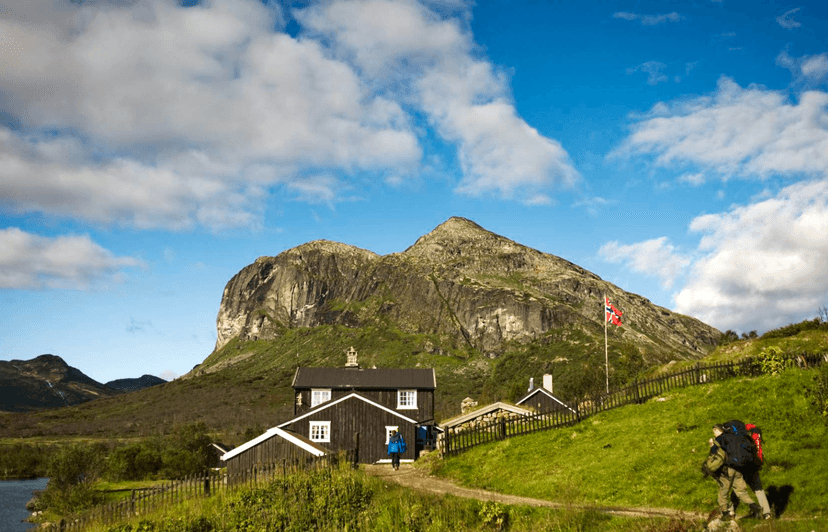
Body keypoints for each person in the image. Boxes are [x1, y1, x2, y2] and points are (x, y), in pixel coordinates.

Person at [708, 424, 763, 520]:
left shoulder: (720, 439)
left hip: (726, 470)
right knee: (741, 491)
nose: (714, 434)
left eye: (714, 432)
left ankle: (725, 514)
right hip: (737, 468)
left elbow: (713, 454)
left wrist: (712, 445)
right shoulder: (733, 437)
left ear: (717, 431)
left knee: (723, 492)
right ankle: (755, 507)